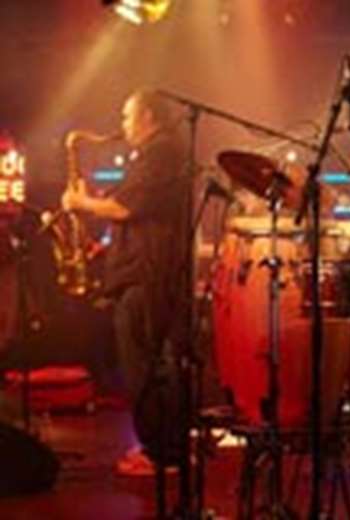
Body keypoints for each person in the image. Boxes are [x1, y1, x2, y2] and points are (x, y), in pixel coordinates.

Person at [61, 89, 188, 476]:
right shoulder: (156, 155)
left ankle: (161, 454)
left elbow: (126, 207)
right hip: (145, 273)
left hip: (146, 276)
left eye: (127, 116)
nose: (122, 125)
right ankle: (164, 449)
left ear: (148, 116)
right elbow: (137, 211)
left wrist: (82, 204)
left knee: (144, 368)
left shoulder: (160, 153)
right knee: (149, 366)